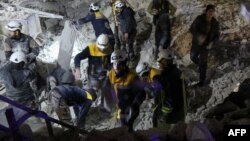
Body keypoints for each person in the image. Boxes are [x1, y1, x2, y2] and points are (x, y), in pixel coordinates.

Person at [107, 50, 146, 132]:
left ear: (124, 63)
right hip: (120, 107)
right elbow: (109, 88)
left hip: (131, 109)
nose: (116, 67)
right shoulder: (111, 74)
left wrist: (134, 106)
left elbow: (142, 93)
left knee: (126, 128)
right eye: (114, 64)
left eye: (119, 64)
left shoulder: (133, 77)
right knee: (124, 128)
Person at [74, 34, 114, 112]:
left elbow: (110, 61)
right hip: (93, 76)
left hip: (104, 74)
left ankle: (105, 109)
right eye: (101, 49)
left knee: (106, 90)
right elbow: (77, 57)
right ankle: (87, 105)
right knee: (92, 91)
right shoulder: (91, 48)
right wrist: (77, 68)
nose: (102, 50)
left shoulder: (109, 48)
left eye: (104, 49)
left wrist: (110, 69)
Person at [153, 49, 186, 127]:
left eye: (160, 63)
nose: (159, 65)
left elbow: (170, 98)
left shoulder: (171, 78)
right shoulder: (174, 73)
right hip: (176, 114)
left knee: (163, 135)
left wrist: (164, 116)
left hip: (170, 118)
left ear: (165, 62)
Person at [190, 5, 220, 86]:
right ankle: (200, 66)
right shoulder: (199, 19)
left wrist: (212, 42)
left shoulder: (215, 23)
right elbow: (192, 28)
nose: (211, 13)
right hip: (196, 43)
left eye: (213, 11)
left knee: (203, 63)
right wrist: (199, 36)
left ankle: (202, 81)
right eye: (210, 11)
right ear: (206, 11)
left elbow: (217, 36)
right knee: (192, 57)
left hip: (206, 46)